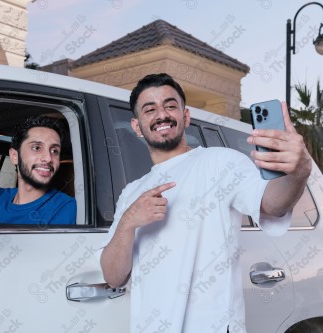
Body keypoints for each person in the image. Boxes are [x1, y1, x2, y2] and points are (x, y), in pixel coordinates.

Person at [99, 73, 311, 332]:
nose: (162, 115)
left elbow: (273, 203)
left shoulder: (220, 161)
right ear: (136, 126)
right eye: (149, 109)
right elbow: (113, 276)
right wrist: (128, 223)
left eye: (170, 105)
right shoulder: (132, 193)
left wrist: (299, 171)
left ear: (185, 116)